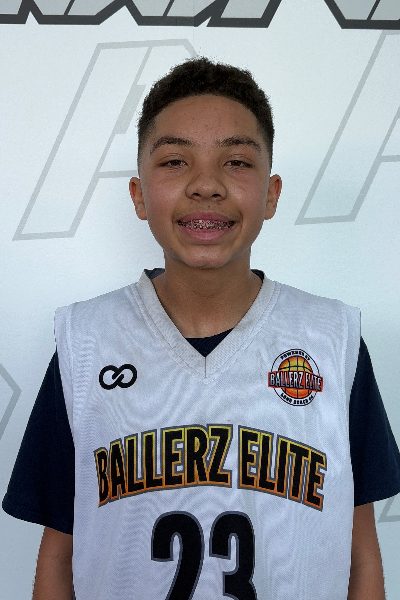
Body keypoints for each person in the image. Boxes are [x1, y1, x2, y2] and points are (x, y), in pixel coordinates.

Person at [3, 58, 400, 600]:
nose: (207, 184)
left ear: (272, 193)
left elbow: (361, 552)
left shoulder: (333, 338)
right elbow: (58, 555)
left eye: (236, 161)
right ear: (139, 195)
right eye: (174, 161)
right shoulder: (85, 341)